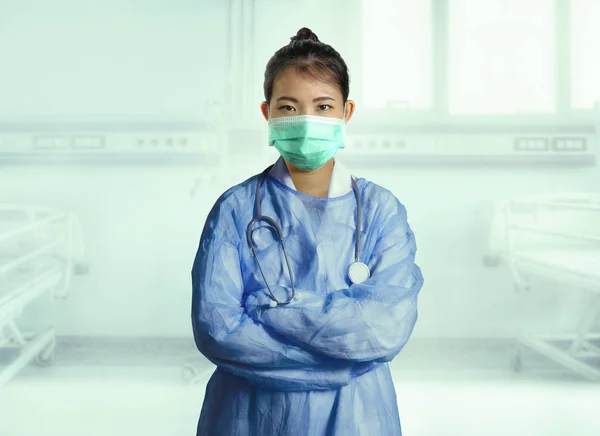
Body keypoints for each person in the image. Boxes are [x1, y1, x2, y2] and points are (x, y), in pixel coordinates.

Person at [191, 27, 424, 436]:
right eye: (288, 107)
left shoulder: (381, 210)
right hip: (250, 416)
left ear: (346, 113)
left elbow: (383, 329)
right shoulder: (236, 209)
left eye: (322, 106)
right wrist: (339, 363)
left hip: (357, 415)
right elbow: (219, 331)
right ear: (267, 114)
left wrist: (267, 311)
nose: (306, 121)